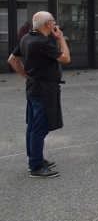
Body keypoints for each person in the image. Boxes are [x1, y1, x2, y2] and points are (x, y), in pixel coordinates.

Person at [7, 11, 70, 178]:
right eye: (53, 21)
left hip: (33, 87)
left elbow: (12, 60)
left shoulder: (27, 38)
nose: (55, 23)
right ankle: (36, 166)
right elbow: (65, 58)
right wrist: (61, 39)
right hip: (43, 90)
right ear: (48, 24)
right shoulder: (41, 42)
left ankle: (35, 159)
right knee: (39, 129)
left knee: (32, 126)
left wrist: (27, 75)